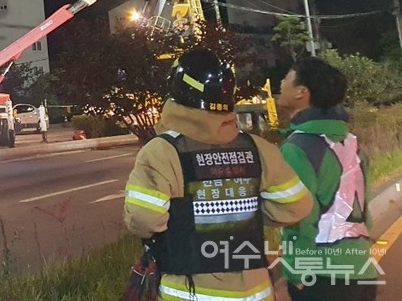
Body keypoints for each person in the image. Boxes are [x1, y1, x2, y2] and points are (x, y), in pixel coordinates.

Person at [124, 48, 313, 301]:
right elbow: (297, 206)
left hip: (190, 292)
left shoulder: (161, 152)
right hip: (257, 292)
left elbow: (144, 220)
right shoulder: (258, 148)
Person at [277, 57, 378, 300]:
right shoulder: (351, 143)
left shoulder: (298, 148)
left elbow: (299, 217)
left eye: (287, 77)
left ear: (302, 92)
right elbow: (364, 210)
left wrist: (296, 269)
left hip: (322, 275)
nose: (281, 83)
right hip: (363, 269)